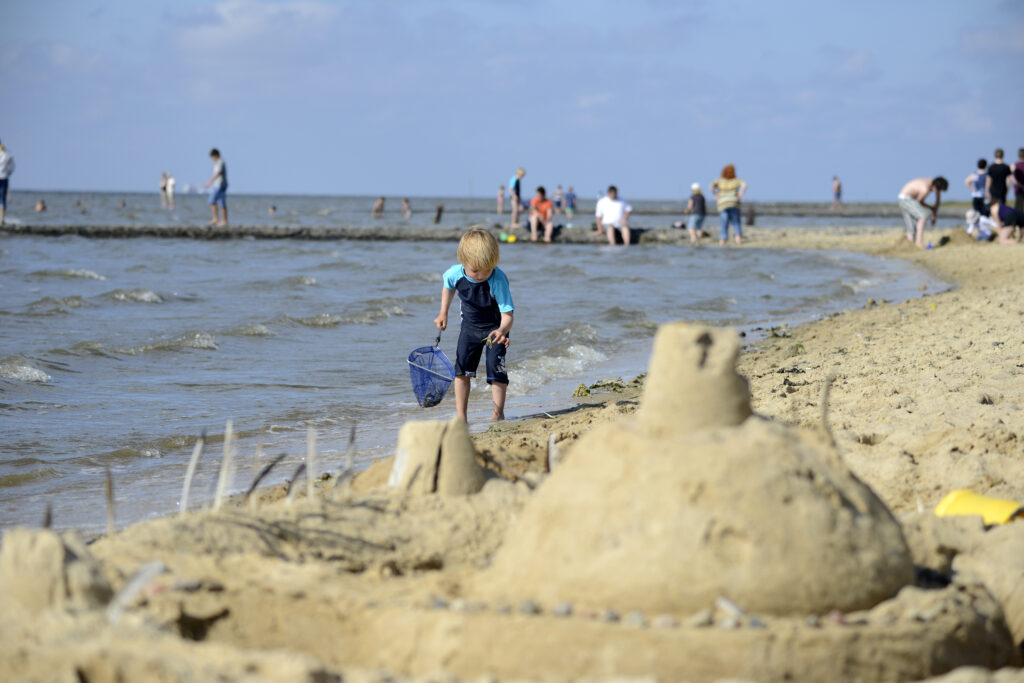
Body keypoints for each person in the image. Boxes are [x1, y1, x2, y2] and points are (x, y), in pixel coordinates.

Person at [433, 229, 514, 422]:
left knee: (497, 371)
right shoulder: (455, 273)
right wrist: (443, 311)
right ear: (463, 262)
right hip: (469, 328)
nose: (480, 275)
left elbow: (508, 314)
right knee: (461, 371)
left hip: (495, 329)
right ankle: (461, 416)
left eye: (486, 270)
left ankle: (497, 413)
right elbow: (448, 286)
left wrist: (503, 331)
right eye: (475, 271)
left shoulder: (497, 279)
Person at [897, 176, 947, 248]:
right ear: (935, 187)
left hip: (905, 198)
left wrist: (934, 214)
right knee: (923, 216)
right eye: (938, 190)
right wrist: (931, 209)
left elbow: (937, 202)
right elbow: (919, 202)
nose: (938, 192)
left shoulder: (934, 183)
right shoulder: (925, 188)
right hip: (906, 199)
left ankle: (910, 245)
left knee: (911, 223)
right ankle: (918, 243)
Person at [710, 164, 747, 245]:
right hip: (734, 202)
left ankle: (722, 241)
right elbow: (744, 184)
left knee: (724, 223)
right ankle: (738, 240)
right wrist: (741, 193)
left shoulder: (719, 180)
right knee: (736, 222)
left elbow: (711, 186)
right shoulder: (736, 180)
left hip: (722, 203)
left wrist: (715, 195)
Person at [204, 148, 228, 226]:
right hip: (218, 185)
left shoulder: (220, 161)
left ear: (216, 155)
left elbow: (218, 173)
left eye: (213, 157)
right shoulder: (217, 162)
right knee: (220, 202)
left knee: (213, 201)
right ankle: (221, 220)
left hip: (220, 185)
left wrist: (209, 182)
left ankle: (218, 219)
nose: (212, 159)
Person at [0, 139, 13, 226]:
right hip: (4, 176)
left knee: (2, 199)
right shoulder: (7, 155)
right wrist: (8, 172)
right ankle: (1, 220)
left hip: (4, 177)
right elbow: (12, 167)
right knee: (2, 199)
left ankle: (1, 219)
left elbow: (11, 167)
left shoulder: (6, 155)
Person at [1013, 148, 1024, 213]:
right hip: (1020, 189)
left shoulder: (1015, 166)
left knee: (1018, 209)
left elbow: (1013, 180)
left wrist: (1020, 185)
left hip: (1018, 190)